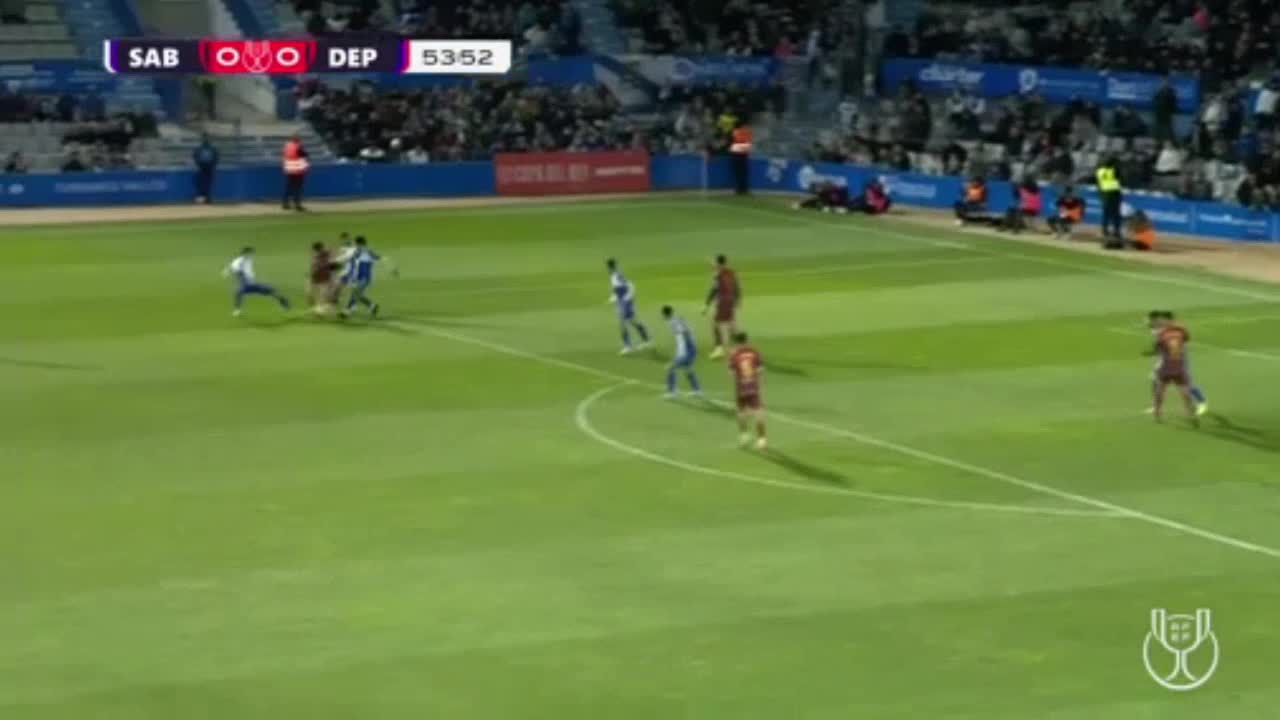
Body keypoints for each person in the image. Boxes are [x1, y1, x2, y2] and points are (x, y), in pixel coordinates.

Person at [1147, 311, 1207, 416]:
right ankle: (1155, 406)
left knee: (1186, 383)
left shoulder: (1176, 328)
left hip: (1178, 358)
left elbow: (1183, 340)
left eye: (1160, 319)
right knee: (1155, 380)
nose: (1158, 321)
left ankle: (1201, 402)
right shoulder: (1160, 329)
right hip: (1165, 357)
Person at [222, 246, 290, 317]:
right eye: (250, 253)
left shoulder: (248, 260)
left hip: (251, 283)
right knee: (240, 293)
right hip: (247, 283)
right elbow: (236, 269)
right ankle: (237, 310)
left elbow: (232, 267)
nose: (251, 255)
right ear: (245, 253)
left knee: (240, 293)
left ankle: (237, 310)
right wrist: (229, 272)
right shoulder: (239, 261)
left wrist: (227, 272)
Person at [729, 332, 767, 450]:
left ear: (736, 342)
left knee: (741, 412)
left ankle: (744, 436)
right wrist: (760, 385)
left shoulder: (734, 355)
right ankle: (761, 439)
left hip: (741, 387)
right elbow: (760, 370)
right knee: (758, 412)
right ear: (747, 340)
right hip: (753, 387)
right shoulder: (754, 352)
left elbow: (732, 374)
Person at [605, 258, 651, 354]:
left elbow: (630, 285)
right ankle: (647, 341)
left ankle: (628, 346)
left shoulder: (617, 275)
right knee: (633, 321)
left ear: (610, 267)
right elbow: (618, 290)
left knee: (623, 323)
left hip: (625, 302)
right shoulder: (614, 275)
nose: (607, 270)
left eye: (608, 267)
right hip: (623, 301)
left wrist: (626, 299)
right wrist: (614, 297)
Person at [344, 235, 396, 316]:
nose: (356, 246)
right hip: (357, 278)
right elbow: (352, 262)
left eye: (357, 244)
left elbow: (382, 259)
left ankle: (347, 311)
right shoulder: (357, 252)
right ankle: (372, 306)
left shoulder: (368, 252)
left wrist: (391, 269)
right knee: (358, 295)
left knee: (356, 292)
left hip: (365, 278)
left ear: (360, 244)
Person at [704, 254, 740, 359]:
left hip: (723, 301)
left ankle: (722, 349)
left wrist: (706, 304)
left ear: (718, 264)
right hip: (731, 300)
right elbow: (736, 287)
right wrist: (737, 300)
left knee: (718, 325)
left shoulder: (718, 275)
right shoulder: (732, 273)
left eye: (715, 262)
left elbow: (715, 289)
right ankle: (739, 347)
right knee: (731, 325)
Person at [661, 305, 701, 398]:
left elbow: (682, 337)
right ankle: (697, 390)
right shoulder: (679, 319)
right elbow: (689, 330)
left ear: (665, 315)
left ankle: (672, 392)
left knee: (671, 368)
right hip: (691, 349)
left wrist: (680, 354)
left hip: (687, 351)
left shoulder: (674, 323)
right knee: (688, 369)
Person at [1096, 156, 1123, 246]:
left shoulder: (1100, 171)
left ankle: (1104, 231)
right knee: (1116, 215)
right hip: (1114, 194)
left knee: (1106, 214)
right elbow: (1120, 180)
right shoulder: (1114, 171)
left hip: (1104, 194)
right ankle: (1116, 232)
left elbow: (1099, 183)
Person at [307, 242, 340, 315]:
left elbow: (334, 264)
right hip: (320, 275)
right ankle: (323, 307)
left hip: (326, 276)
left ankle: (323, 308)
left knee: (326, 292)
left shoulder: (324, 255)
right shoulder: (316, 257)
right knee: (322, 292)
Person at [282, 134, 309, 211]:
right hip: (297, 170)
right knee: (298, 188)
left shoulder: (287, 146)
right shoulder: (298, 146)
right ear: (298, 140)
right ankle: (297, 204)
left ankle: (285, 204)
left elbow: (286, 155)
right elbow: (304, 155)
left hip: (289, 169)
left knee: (289, 187)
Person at [192, 134, 219, 204]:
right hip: (202, 167)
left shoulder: (212, 148)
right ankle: (201, 198)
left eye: (207, 138)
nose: (206, 139)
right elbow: (195, 156)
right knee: (201, 183)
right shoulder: (200, 148)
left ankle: (207, 198)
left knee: (208, 183)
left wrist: (213, 164)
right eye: (204, 138)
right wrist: (198, 164)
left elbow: (216, 157)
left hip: (209, 167)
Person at [729, 119, 753, 195]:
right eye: (745, 126)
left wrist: (743, 146)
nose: (746, 127)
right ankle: (739, 189)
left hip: (743, 155)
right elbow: (736, 142)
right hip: (737, 155)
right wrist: (743, 146)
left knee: (743, 173)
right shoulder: (737, 132)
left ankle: (744, 189)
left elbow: (748, 144)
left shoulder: (747, 133)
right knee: (738, 173)